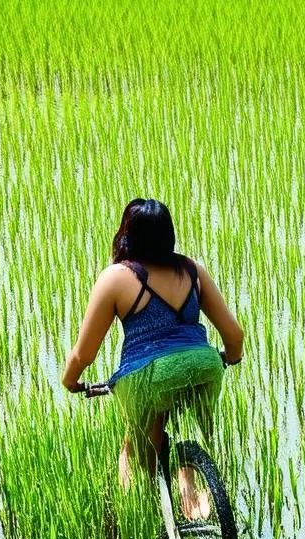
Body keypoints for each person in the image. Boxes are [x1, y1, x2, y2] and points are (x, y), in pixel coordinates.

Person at [62, 200, 244, 506]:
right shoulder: (193, 270)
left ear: (126, 236)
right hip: (203, 365)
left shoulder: (117, 277)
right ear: (168, 235)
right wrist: (230, 358)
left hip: (148, 375)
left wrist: (71, 382)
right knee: (184, 420)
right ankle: (187, 479)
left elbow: (84, 354)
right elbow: (234, 334)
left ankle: (138, 514)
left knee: (134, 447)